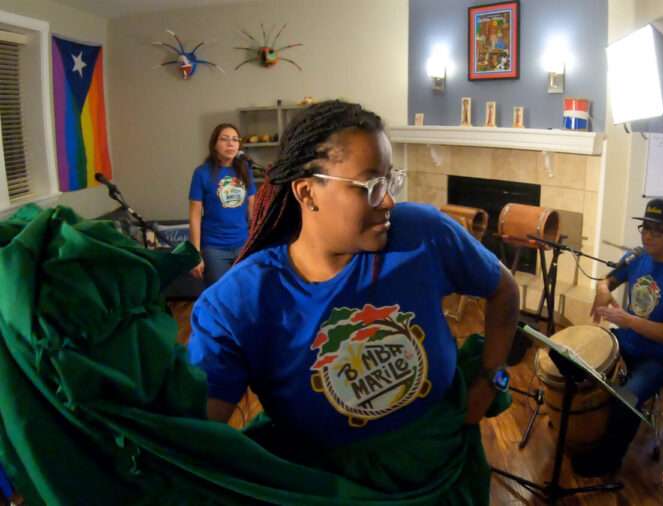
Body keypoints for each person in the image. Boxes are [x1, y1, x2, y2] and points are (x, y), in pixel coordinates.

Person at [187, 100, 519, 501]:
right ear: (307, 192)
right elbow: (196, 441)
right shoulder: (240, 301)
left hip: (448, 471)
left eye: (390, 181)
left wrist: (492, 375)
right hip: (332, 490)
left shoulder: (422, 235)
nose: (389, 202)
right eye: (371, 187)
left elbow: (504, 288)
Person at [578, 198, 663, 476]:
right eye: (645, 227)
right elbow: (608, 280)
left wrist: (629, 321)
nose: (648, 235)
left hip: (661, 356)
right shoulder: (637, 257)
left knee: (625, 399)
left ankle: (607, 462)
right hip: (629, 339)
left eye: (657, 230)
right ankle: (583, 432)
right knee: (579, 362)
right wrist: (602, 288)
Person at [188, 123, 257, 286]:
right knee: (220, 297)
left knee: (246, 294)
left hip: (243, 244)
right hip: (214, 248)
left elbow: (253, 209)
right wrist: (195, 254)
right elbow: (195, 217)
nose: (231, 143)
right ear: (214, 145)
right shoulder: (201, 173)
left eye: (235, 139)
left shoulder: (245, 169)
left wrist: (257, 243)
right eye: (224, 139)